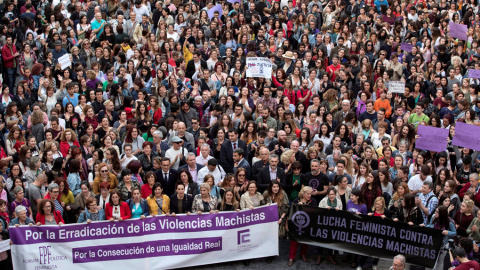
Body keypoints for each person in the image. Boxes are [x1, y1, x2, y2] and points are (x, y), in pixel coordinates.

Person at [426, 205, 457, 270]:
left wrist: (448, 232)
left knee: (440, 262)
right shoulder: (433, 217)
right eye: (435, 211)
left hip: (442, 244)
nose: (435, 213)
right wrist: (425, 226)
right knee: (429, 261)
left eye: (437, 212)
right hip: (432, 242)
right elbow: (430, 225)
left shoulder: (449, 222)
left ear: (442, 214)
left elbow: (454, 233)